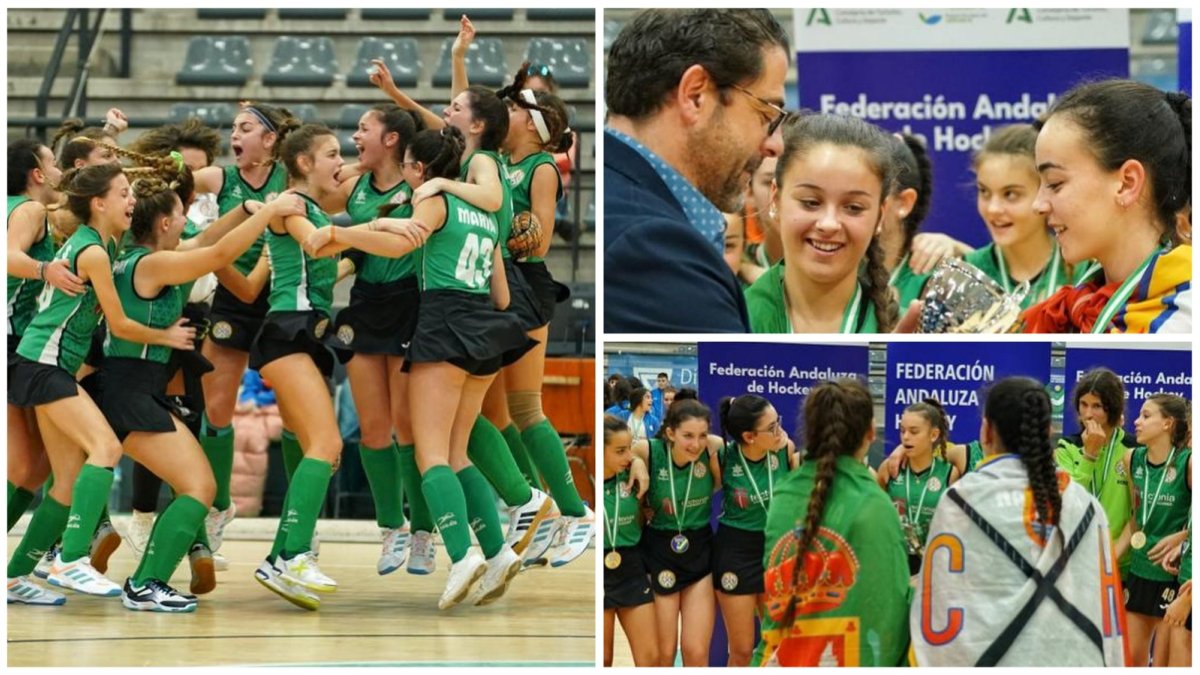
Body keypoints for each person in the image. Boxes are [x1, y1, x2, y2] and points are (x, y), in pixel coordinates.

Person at [306, 125, 535, 609]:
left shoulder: (433, 199)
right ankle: (495, 554)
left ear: (419, 169)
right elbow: (503, 295)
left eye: (410, 164)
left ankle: (461, 557)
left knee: (431, 455)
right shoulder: (488, 213)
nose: (407, 171)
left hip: (444, 325)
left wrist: (339, 233)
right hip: (487, 333)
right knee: (458, 455)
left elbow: (400, 247)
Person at [100, 163, 305, 612]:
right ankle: (144, 582)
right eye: (182, 215)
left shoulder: (143, 256)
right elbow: (213, 257)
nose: (189, 223)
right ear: (164, 223)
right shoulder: (154, 263)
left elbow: (205, 242)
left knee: (198, 486)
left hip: (131, 388)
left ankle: (144, 580)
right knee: (198, 486)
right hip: (128, 391)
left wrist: (244, 209)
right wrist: (268, 210)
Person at [6, 163, 194, 604]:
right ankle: (72, 559)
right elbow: (121, 324)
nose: (132, 200)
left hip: (50, 366)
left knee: (67, 482)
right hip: (44, 365)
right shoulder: (92, 252)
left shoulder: (107, 244)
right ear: (99, 203)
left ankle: (14, 577)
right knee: (105, 448)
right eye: (124, 192)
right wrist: (165, 336)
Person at [912, 377, 1126, 666]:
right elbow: (1101, 605)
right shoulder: (1086, 506)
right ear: (1047, 431)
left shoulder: (961, 500)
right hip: (1069, 657)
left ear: (986, 430)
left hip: (988, 656)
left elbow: (940, 603)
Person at [605, 9, 790, 332]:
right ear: (695, 96)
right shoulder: (651, 249)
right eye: (766, 114)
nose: (775, 145)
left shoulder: (628, 206)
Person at [191, 102, 299, 554]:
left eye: (246, 127)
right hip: (233, 298)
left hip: (281, 299)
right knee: (215, 408)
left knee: (297, 416)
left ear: (271, 139)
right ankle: (219, 505)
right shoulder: (221, 179)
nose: (234, 135)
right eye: (233, 127)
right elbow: (169, 182)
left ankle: (299, 522)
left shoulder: (291, 178)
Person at [323, 103, 424, 576]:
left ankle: (424, 531)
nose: (355, 135)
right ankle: (391, 528)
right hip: (366, 302)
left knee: (410, 427)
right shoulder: (355, 185)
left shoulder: (420, 185)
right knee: (372, 428)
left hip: (410, 304)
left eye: (364, 128)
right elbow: (312, 202)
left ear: (391, 139)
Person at [754, 379, 909, 666]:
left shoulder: (783, 496)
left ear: (809, 434)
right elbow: (889, 610)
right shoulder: (875, 504)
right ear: (870, 433)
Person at [1019, 80, 1191, 333]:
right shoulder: (1071, 310)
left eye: (1055, 184)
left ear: (1126, 183)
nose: (1038, 205)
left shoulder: (1185, 319)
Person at [744, 114, 899, 333]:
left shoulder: (906, 334)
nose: (829, 224)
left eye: (854, 208)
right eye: (810, 202)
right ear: (776, 200)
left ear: (880, 217)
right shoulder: (731, 323)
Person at [7, 139, 73, 533]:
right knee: (23, 464)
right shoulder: (30, 208)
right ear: (37, 174)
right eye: (53, 163)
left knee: (36, 464)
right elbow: (8, 255)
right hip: (9, 338)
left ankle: (14, 573)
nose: (59, 172)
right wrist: (47, 270)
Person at [631, 399, 723, 666]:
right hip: (658, 551)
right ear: (670, 433)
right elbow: (628, 452)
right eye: (688, 436)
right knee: (664, 653)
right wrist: (636, 464)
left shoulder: (714, 449)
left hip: (699, 552)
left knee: (695, 652)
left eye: (702, 435)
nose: (696, 443)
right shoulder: (649, 451)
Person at [713, 394, 796, 666]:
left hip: (776, 550)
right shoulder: (723, 457)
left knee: (779, 645)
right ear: (749, 436)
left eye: (778, 422)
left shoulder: (786, 451)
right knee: (742, 650)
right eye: (771, 427)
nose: (779, 431)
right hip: (736, 552)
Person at [965, 124, 1081, 308]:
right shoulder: (968, 273)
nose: (993, 208)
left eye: (1010, 194)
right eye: (984, 191)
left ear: (1044, 192)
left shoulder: (1082, 269)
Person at [1117, 394, 1191, 666]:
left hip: (1173, 576)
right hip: (1139, 570)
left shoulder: (1188, 463)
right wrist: (1112, 557)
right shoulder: (1131, 459)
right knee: (1130, 662)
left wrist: (1182, 536)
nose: (1136, 422)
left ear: (1168, 424)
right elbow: (1136, 518)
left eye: (1146, 416)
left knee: (1162, 665)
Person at [1054, 368, 1136, 572]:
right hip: (1076, 560)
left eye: (1097, 406)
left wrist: (1114, 557)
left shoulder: (1134, 449)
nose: (1088, 414)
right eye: (1083, 404)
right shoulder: (1067, 447)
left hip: (1121, 563)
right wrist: (1089, 455)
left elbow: (1139, 511)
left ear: (1113, 409)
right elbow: (1066, 501)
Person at [602, 415, 659, 667]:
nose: (628, 456)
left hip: (631, 568)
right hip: (601, 574)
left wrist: (635, 460)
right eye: (620, 451)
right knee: (603, 659)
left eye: (629, 448)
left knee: (650, 658)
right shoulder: (586, 481)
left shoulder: (633, 479)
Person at [876, 399, 959, 575]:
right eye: (902, 431)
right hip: (893, 563)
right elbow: (876, 512)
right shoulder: (889, 468)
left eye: (914, 432)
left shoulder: (949, 473)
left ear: (933, 435)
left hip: (933, 565)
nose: (906, 437)